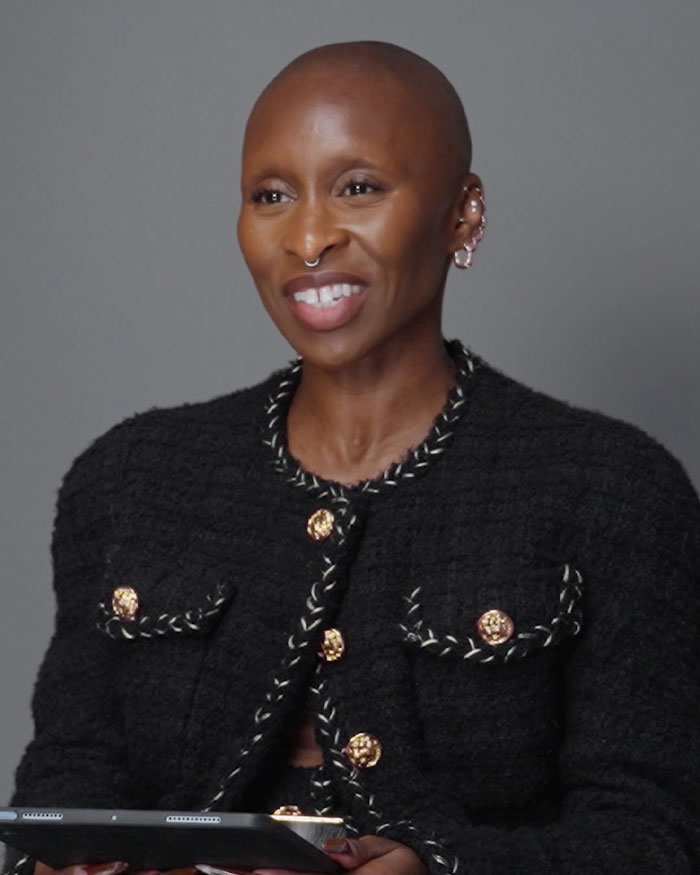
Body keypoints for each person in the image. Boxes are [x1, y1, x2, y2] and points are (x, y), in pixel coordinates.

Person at [5, 39, 700, 875]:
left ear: (463, 212)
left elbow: (653, 837)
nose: (306, 238)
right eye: (270, 195)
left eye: (358, 188)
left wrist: (444, 866)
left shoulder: (610, 488)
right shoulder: (128, 477)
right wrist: (67, 858)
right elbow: (69, 770)